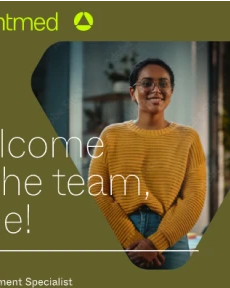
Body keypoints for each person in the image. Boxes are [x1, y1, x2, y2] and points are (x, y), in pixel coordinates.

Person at [88, 58, 206, 270]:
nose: (156, 89)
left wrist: (156, 243)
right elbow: (97, 192)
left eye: (163, 83)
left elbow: (194, 197)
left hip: (171, 237)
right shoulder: (111, 135)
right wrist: (131, 240)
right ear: (132, 92)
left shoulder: (188, 137)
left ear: (171, 91)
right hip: (118, 235)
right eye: (147, 83)